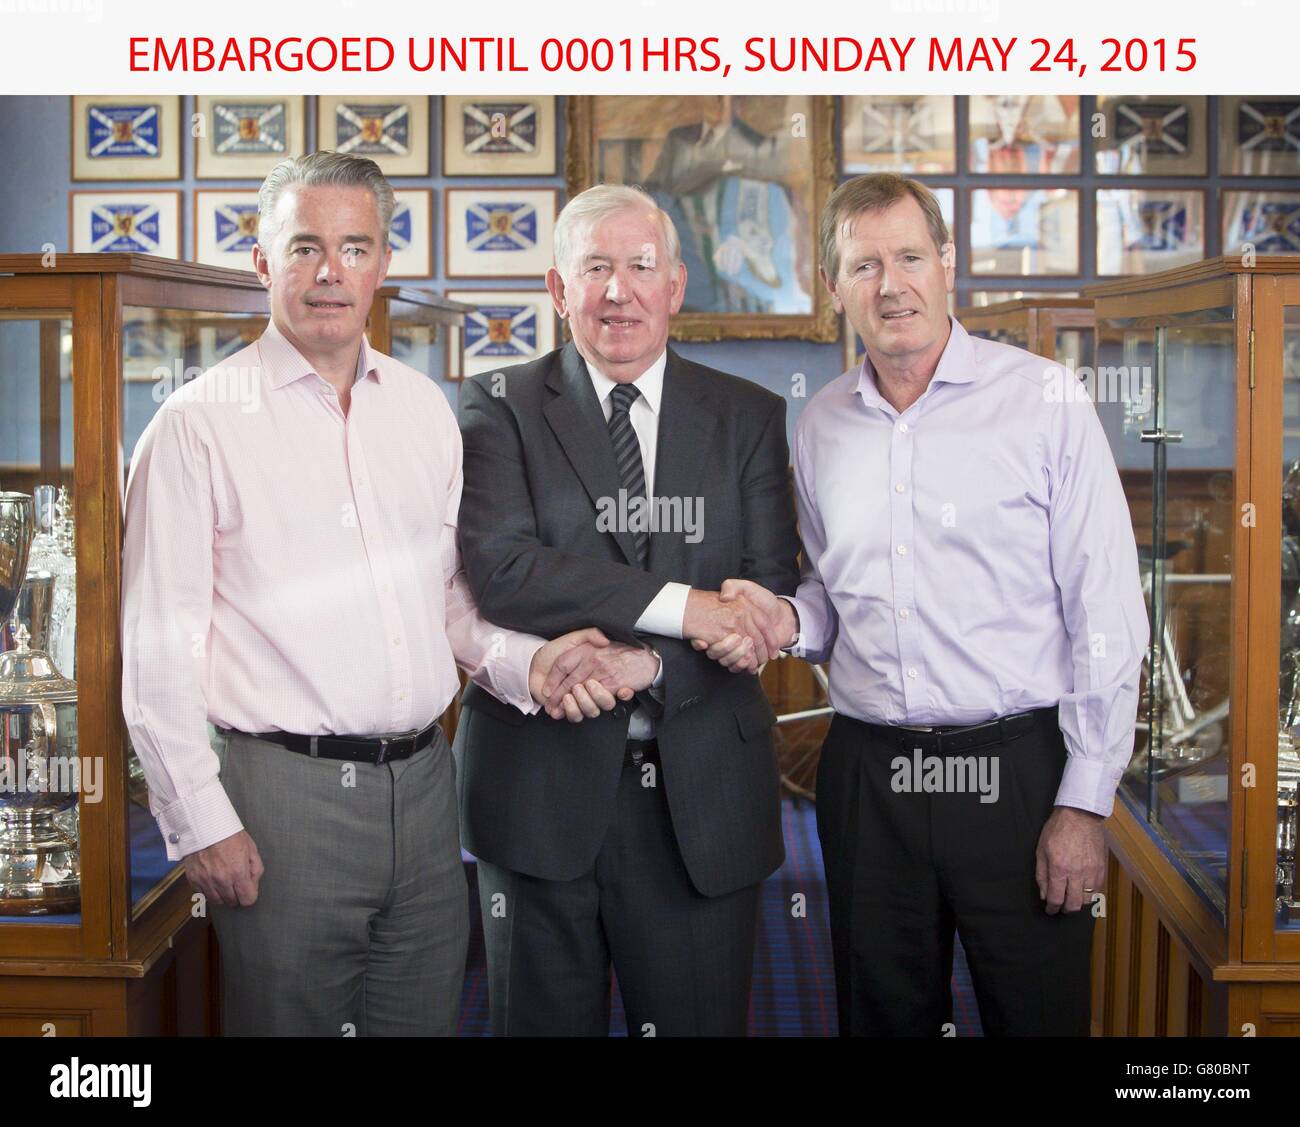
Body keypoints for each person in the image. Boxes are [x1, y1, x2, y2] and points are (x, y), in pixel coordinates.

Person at [121, 151, 647, 1037]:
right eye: (305, 248)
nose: (331, 271)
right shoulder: (195, 425)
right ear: (262, 261)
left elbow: (447, 601)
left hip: (427, 787)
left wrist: (534, 663)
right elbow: (156, 646)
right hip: (281, 799)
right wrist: (199, 821)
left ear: (382, 263)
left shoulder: (422, 408)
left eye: (354, 247)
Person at [705, 173, 1148, 1036]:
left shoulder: (1045, 402)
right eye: (864, 265)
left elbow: (1106, 610)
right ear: (834, 287)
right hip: (871, 780)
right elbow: (833, 595)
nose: (891, 285)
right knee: (881, 1016)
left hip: (1019, 777)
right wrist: (786, 620)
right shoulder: (821, 424)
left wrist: (1085, 801)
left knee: (1038, 1016)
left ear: (949, 263)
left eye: (909, 257)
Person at [453, 183, 802, 1036]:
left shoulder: (748, 417)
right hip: (537, 791)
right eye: (595, 268)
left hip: (702, 795)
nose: (619, 291)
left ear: (675, 285)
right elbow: (505, 573)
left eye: (641, 267)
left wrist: (643, 660)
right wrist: (685, 609)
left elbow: (761, 590)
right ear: (557, 288)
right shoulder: (494, 403)